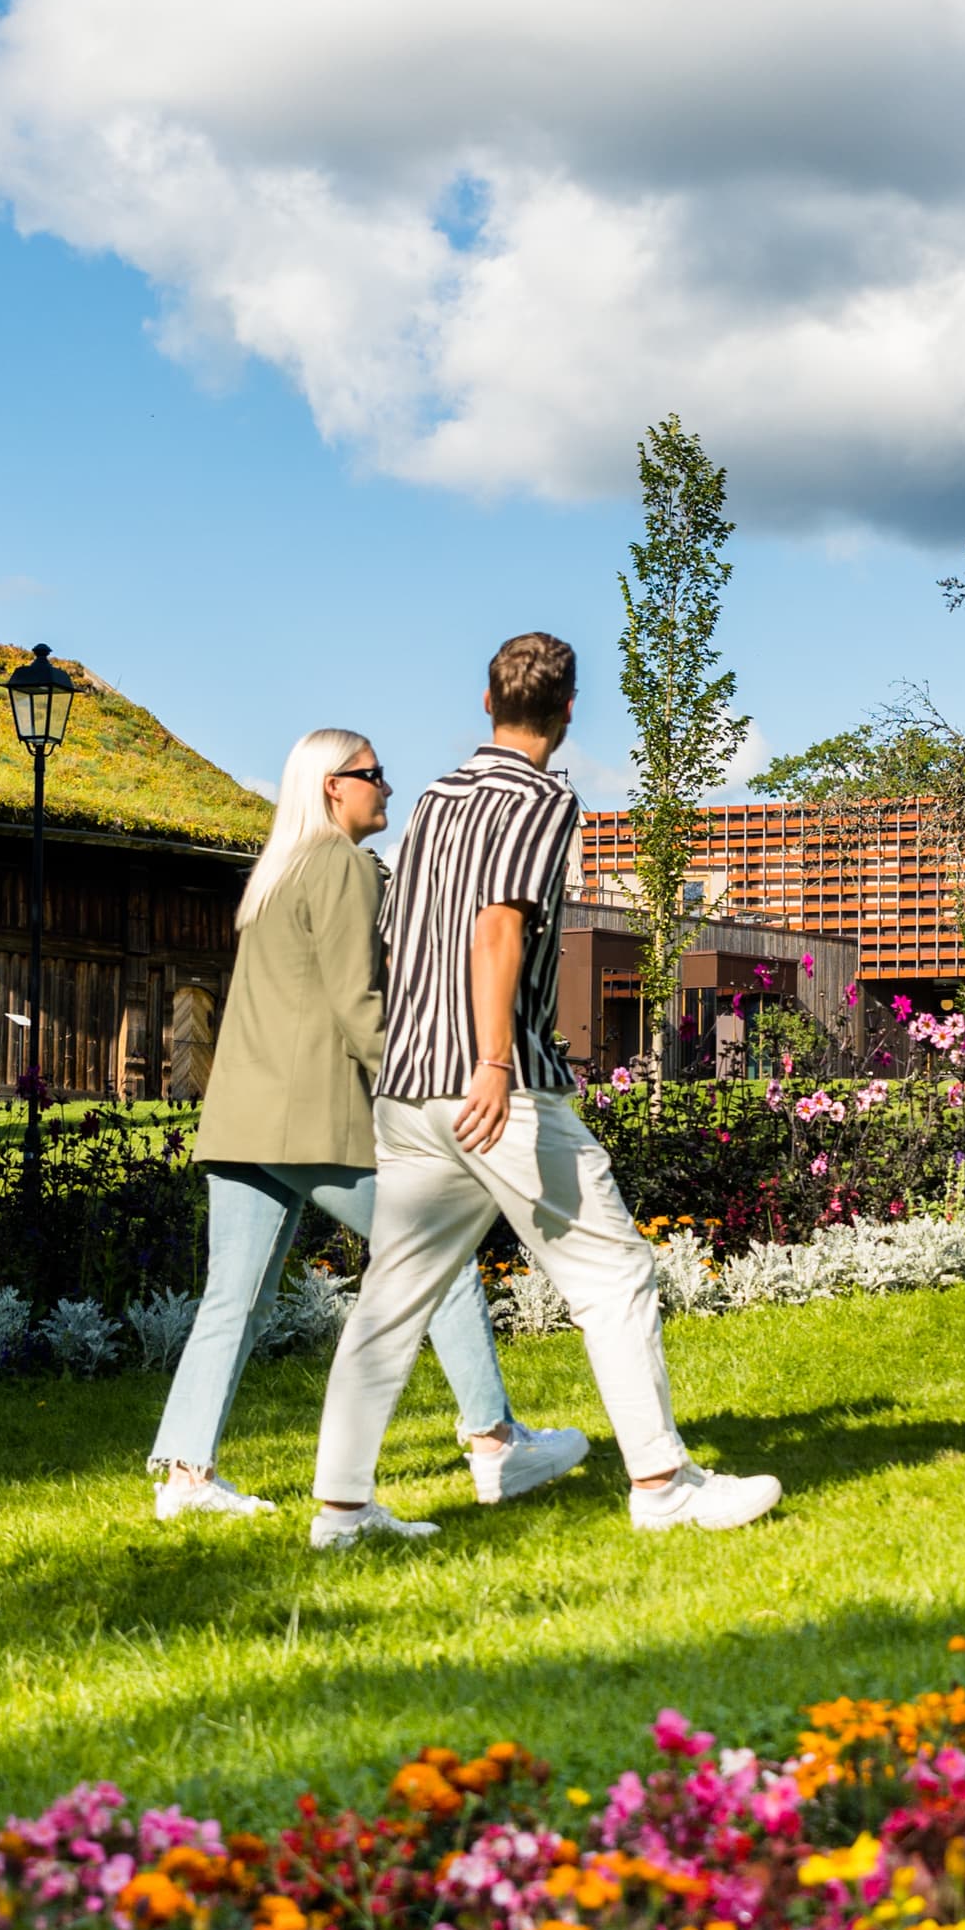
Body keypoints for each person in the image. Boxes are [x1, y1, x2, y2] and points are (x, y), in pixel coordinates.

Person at [308, 635, 781, 1547]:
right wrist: (491, 1061)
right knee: (614, 1273)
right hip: (497, 1086)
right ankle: (661, 1483)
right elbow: (498, 929)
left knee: (390, 1298)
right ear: (569, 712)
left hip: (409, 1087)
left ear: (486, 701)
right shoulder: (542, 797)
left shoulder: (438, 797)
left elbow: (403, 928)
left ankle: (342, 1509)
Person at [145, 727, 587, 1521]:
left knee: (231, 1301)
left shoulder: (277, 873)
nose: (387, 785)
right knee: (436, 1258)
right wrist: (431, 1082)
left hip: (243, 1118)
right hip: (309, 1118)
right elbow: (361, 1005)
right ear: (331, 786)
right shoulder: (343, 867)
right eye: (372, 774)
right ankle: (494, 1440)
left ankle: (185, 1476)